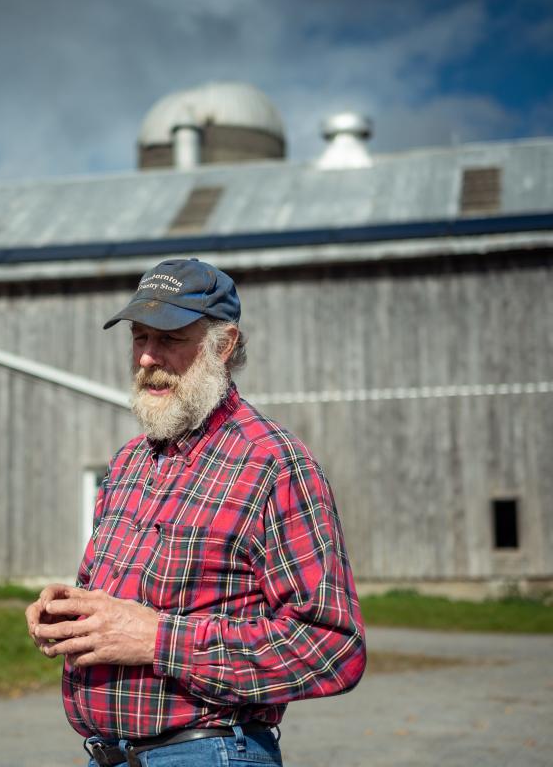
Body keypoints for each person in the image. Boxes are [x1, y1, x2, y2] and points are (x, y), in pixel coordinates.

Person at [26, 258, 365, 767]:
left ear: (223, 346)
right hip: (110, 756)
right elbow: (127, 614)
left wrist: (158, 640)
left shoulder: (272, 465)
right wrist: (71, 614)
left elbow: (331, 648)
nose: (146, 358)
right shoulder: (129, 463)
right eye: (140, 337)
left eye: (170, 339)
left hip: (209, 752)